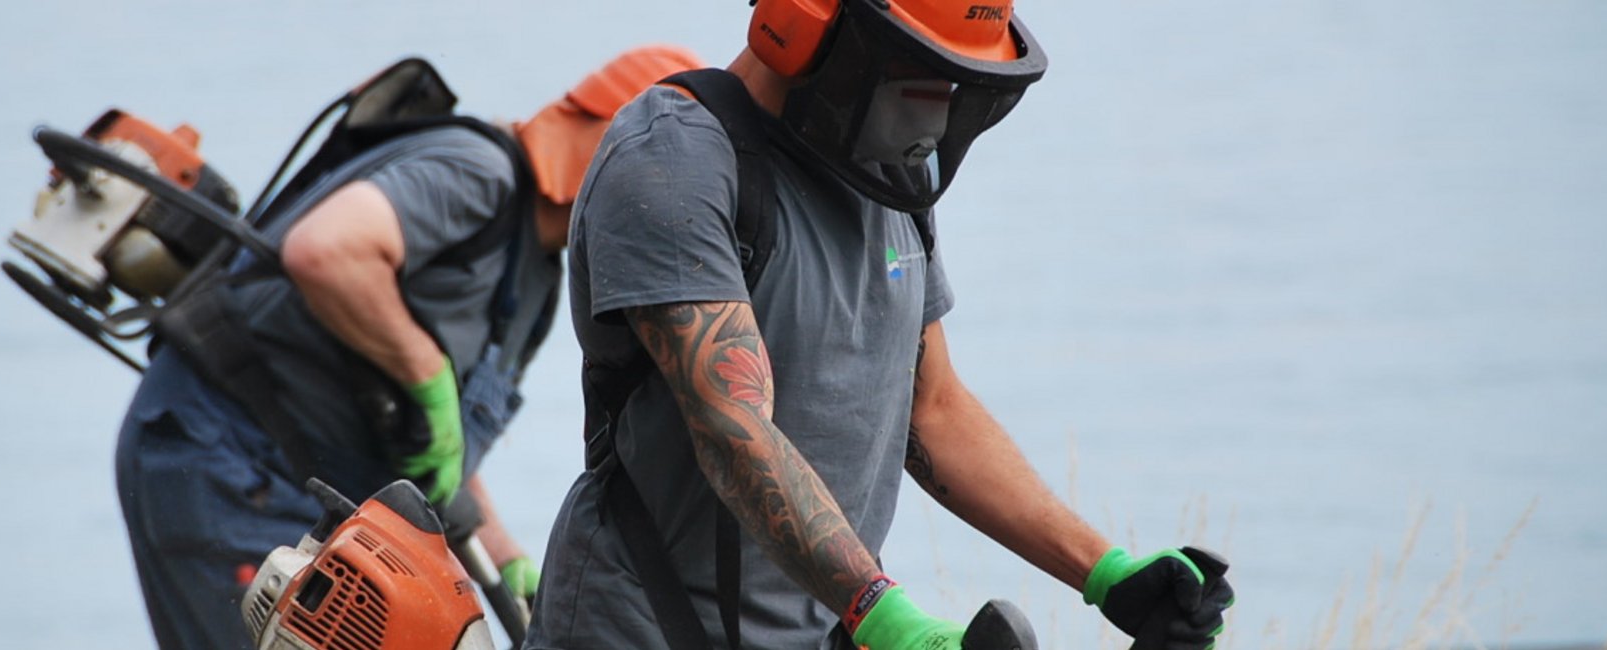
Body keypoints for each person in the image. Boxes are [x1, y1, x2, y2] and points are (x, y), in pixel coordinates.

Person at [525, 2, 1233, 649]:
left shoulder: (889, 180)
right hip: (640, 629)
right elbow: (733, 428)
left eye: (953, 80)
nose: (938, 107)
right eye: (917, 69)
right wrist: (884, 616)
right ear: (811, 27)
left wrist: (1105, 572)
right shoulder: (674, 159)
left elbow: (932, 409)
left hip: (821, 628)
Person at [113, 45, 703, 650]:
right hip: (228, 453)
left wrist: (504, 557)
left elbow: (440, 444)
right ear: (617, 142)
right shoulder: (477, 171)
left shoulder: (542, 278)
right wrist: (425, 370)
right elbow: (327, 251)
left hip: (311, 496)